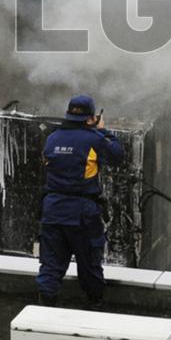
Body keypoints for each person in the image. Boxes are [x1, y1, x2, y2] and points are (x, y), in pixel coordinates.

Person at [36, 94, 124, 309]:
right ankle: (94, 306)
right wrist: (102, 130)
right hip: (82, 212)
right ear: (90, 118)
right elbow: (117, 155)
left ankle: (44, 308)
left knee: (51, 264)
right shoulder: (94, 139)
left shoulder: (52, 138)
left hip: (53, 210)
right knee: (89, 264)